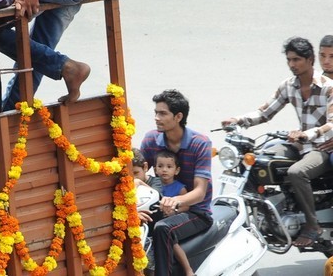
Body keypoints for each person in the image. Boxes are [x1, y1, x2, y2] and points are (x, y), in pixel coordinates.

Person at [222, 37, 333, 248]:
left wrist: (307, 134)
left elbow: (332, 123)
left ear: (310, 60)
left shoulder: (328, 87)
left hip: (322, 147)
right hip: (299, 144)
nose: (292, 64)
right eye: (289, 60)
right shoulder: (288, 86)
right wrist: (239, 120)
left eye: (297, 59)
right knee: (258, 159)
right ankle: (266, 213)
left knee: (296, 172)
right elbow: (265, 112)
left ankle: (312, 225)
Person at [140, 89, 213, 276]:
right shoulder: (151, 140)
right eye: (156, 113)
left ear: (178, 116)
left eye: (163, 113)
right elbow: (138, 173)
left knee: (163, 228)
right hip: (161, 207)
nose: (157, 117)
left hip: (196, 212)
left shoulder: (200, 143)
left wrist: (175, 201)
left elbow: (200, 192)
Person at [143, 150, 195, 276]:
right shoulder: (153, 184)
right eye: (160, 166)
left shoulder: (179, 187)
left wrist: (174, 211)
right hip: (156, 219)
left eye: (169, 167)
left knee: (173, 243)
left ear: (176, 170)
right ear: (155, 169)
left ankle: (188, 270)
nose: (164, 170)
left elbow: (186, 206)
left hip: (169, 220)